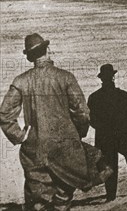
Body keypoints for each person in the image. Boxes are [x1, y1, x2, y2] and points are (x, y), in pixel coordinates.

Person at [0, 34, 101, 211]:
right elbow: (83, 113)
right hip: (65, 148)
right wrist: (77, 133)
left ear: (30, 57)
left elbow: (4, 113)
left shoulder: (21, 81)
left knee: (38, 202)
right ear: (48, 50)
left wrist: (20, 136)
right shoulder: (66, 77)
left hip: (34, 149)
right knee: (63, 197)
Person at [88, 64, 127, 202]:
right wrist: (121, 126)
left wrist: (104, 129)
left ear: (101, 79)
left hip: (105, 137)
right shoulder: (123, 95)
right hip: (123, 133)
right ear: (113, 77)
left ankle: (111, 195)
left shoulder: (94, 97)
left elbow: (91, 120)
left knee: (109, 165)